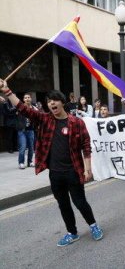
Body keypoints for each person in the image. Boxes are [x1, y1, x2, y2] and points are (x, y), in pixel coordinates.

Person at [0, 79, 103, 246]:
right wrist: (7, 91)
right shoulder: (44, 120)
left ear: (62, 102)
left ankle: (94, 225)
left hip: (74, 171)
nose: (51, 103)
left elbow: (86, 146)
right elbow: (23, 109)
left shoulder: (76, 122)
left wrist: (87, 169)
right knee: (63, 205)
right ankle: (72, 232)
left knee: (80, 202)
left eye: (54, 100)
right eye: (48, 101)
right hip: (55, 173)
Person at [16, 93, 36, 169]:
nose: (27, 99)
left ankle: (30, 161)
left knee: (31, 148)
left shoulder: (34, 108)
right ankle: (21, 162)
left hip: (31, 130)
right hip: (22, 130)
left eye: (28, 97)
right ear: (23, 99)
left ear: (31, 99)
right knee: (23, 147)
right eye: (25, 98)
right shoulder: (20, 107)